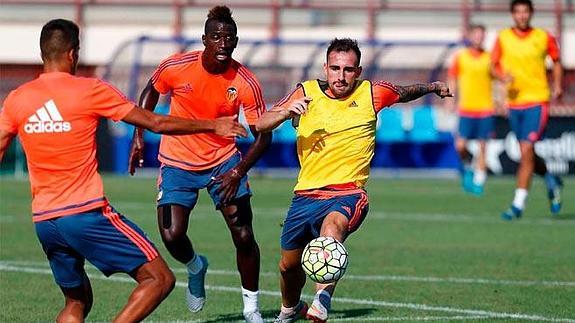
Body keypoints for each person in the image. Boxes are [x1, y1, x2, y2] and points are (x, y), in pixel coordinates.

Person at [0, 19, 248, 322]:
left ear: (43, 54)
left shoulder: (17, 99)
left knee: (76, 302)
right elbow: (155, 122)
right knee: (160, 279)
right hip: (85, 213)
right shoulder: (90, 90)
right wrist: (214, 124)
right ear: (73, 54)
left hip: (44, 222)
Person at [255, 38, 452, 323]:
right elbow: (261, 123)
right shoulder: (305, 93)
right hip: (305, 195)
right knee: (288, 267)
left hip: (348, 193)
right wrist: (286, 111)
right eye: (335, 68)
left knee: (331, 231)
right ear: (325, 67)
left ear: (358, 71)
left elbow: (405, 92)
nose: (341, 76)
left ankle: (323, 298)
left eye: (348, 70)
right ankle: (290, 308)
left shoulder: (372, 93)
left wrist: (433, 87)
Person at [128, 5, 271, 322]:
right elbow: (150, 92)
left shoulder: (245, 81)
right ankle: (195, 265)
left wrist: (238, 171)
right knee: (172, 235)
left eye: (229, 38)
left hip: (224, 162)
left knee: (244, 236)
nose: (223, 43)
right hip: (177, 160)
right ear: (204, 39)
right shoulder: (177, 66)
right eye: (216, 37)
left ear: (236, 42)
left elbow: (263, 137)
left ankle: (252, 309)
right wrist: (139, 135)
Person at [492, 0, 564, 220]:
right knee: (528, 152)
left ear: (531, 13)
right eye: (518, 12)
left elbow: (557, 60)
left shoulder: (543, 36)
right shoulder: (503, 37)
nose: (522, 16)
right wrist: (502, 77)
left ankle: (518, 205)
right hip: (514, 103)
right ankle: (550, 178)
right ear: (513, 15)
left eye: (525, 12)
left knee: (526, 150)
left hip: (537, 100)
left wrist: (558, 85)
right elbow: (493, 66)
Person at [447, 24, 494, 195]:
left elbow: (499, 77)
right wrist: (450, 98)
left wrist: (502, 99)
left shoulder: (490, 57)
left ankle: (479, 182)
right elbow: (452, 78)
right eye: (476, 35)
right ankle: (468, 166)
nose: (479, 38)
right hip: (466, 108)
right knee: (460, 146)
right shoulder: (461, 57)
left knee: (483, 146)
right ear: (470, 36)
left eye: (482, 35)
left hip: (485, 108)